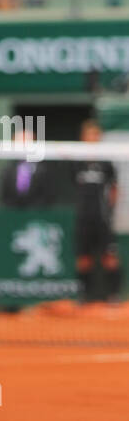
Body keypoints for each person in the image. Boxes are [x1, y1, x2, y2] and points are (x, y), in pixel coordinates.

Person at [72, 119, 122, 304]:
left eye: (95, 135)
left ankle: (113, 296)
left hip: (103, 218)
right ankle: (84, 297)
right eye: (89, 135)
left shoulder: (106, 162)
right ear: (83, 137)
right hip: (84, 218)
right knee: (83, 259)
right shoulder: (77, 162)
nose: (92, 138)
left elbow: (115, 187)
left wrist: (110, 210)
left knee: (110, 257)